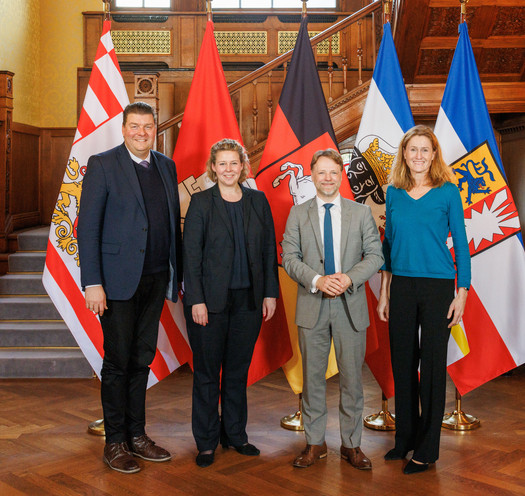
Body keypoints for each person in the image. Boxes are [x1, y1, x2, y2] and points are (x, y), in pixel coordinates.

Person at [77, 102, 182, 474]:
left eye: (148, 126)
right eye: (134, 126)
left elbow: (172, 227)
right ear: (123, 129)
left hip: (156, 279)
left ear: (156, 129)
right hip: (115, 284)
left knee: (142, 360)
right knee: (118, 362)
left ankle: (138, 436)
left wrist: (178, 275)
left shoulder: (166, 167)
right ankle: (115, 441)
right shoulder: (103, 164)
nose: (141, 132)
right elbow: (86, 228)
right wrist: (92, 282)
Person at [281, 148, 385, 470]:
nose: (327, 178)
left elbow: (375, 255)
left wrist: (348, 279)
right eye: (321, 172)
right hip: (312, 304)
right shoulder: (299, 214)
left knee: (353, 381)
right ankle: (315, 444)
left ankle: (351, 446)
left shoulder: (360, 213)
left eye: (333, 172)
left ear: (341, 176)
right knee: (312, 380)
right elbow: (289, 258)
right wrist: (316, 280)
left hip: (349, 305)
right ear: (312, 176)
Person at [376, 125, 471, 475]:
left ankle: (427, 449)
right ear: (404, 154)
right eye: (412, 149)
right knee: (402, 364)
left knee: (431, 367)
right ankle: (405, 439)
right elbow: (387, 248)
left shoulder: (448, 192)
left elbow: (461, 245)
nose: (418, 155)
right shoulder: (394, 192)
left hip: (438, 287)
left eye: (424, 150)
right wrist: (385, 292)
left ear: (434, 155)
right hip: (401, 285)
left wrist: (462, 294)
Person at [182, 139, 279, 468]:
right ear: (213, 168)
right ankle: (207, 441)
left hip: (249, 301)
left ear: (243, 167)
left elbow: (268, 251)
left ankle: (235, 435)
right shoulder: (200, 203)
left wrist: (269, 293)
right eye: (221, 164)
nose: (227, 169)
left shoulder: (258, 201)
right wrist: (195, 299)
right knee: (208, 373)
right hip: (208, 303)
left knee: (237, 372)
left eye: (233, 163)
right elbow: (190, 257)